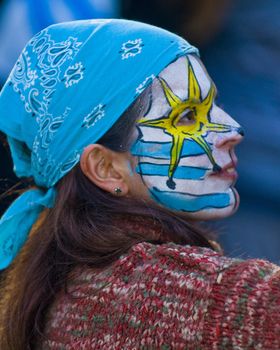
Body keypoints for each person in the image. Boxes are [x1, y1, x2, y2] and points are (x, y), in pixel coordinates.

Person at [0, 19, 279, 349]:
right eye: (187, 116)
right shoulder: (166, 296)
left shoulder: (61, 275)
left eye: (214, 105)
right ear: (106, 168)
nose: (233, 130)